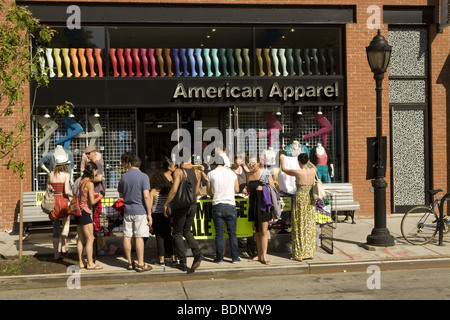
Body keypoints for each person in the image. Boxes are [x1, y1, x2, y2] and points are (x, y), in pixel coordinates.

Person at [164, 158, 203, 272]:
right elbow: (196, 191)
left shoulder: (179, 172)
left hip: (181, 207)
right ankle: (197, 253)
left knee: (177, 233)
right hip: (193, 205)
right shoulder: (197, 173)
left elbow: (174, 190)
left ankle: (182, 261)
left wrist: (166, 204)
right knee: (187, 231)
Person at [118, 154, 153, 272]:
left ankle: (129, 262)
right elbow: (146, 196)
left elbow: (121, 195)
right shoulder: (144, 177)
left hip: (128, 210)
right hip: (140, 210)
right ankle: (141, 263)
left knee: (127, 236)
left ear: (129, 164)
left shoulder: (123, 177)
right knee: (139, 237)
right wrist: (149, 213)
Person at [280, 153, 317, 262]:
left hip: (300, 199)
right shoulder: (313, 171)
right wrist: (308, 161)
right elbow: (314, 166)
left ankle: (299, 253)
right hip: (310, 199)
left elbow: (284, 169)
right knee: (309, 224)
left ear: (299, 162)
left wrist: (282, 158)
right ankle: (309, 252)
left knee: (299, 224)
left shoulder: (298, 172)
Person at [206, 156, 240, 263]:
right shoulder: (232, 173)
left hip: (217, 205)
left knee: (219, 233)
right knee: (232, 233)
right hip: (230, 205)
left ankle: (219, 257)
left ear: (214, 164)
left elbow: (209, 192)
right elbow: (237, 189)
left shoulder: (211, 174)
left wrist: (214, 193)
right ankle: (235, 257)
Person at [245, 155, 275, 265]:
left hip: (263, 204)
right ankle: (259, 254)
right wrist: (246, 189)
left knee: (263, 231)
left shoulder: (265, 173)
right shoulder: (248, 174)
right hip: (253, 203)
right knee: (257, 231)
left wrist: (263, 188)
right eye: (250, 163)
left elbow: (272, 188)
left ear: (258, 162)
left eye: (253, 162)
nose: (251, 165)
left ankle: (264, 256)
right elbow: (249, 188)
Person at [75, 161, 103, 270]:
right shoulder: (89, 184)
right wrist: (100, 196)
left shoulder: (80, 181)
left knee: (81, 239)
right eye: (95, 171)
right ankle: (90, 263)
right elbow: (92, 200)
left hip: (77, 212)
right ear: (92, 170)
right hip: (85, 212)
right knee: (90, 238)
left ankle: (81, 262)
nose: (96, 173)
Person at [47, 154, 73, 260]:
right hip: (63, 201)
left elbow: (48, 190)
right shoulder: (66, 175)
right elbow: (66, 191)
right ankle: (63, 247)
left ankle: (55, 254)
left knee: (55, 228)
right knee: (66, 224)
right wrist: (76, 194)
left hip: (53, 202)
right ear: (65, 165)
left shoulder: (50, 174)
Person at [150, 170, 176, 266]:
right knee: (168, 236)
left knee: (159, 237)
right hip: (166, 214)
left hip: (156, 215)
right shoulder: (167, 190)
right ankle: (173, 257)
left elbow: (150, 205)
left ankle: (161, 259)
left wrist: (149, 216)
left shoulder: (153, 191)